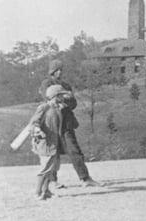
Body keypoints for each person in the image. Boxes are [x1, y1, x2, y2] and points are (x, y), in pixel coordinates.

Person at [34, 60, 102, 188]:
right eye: (57, 70)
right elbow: (47, 96)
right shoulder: (46, 83)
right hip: (52, 124)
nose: (60, 72)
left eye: (61, 70)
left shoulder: (66, 85)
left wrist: (65, 102)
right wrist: (62, 99)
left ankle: (85, 178)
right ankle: (52, 181)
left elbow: (73, 103)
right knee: (52, 153)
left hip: (66, 123)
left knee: (74, 150)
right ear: (52, 71)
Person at [30, 85, 72, 200]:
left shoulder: (58, 108)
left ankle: (46, 191)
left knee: (52, 168)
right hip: (45, 144)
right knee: (45, 169)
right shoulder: (44, 107)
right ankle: (38, 193)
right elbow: (34, 123)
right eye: (61, 95)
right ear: (55, 96)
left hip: (54, 143)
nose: (63, 97)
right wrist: (38, 130)